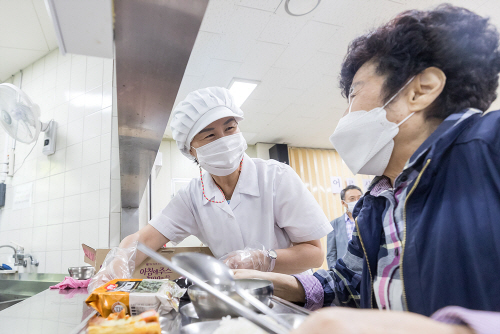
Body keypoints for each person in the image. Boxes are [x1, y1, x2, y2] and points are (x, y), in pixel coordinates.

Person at [234, 4, 500, 333]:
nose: (346, 115)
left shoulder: (491, 148)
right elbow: (345, 284)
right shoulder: (376, 203)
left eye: (354, 94)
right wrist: (270, 282)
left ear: (421, 90)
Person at [89, 87, 332, 290]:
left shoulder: (276, 177)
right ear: (190, 150)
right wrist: (115, 267)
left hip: (289, 296)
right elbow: (144, 239)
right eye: (210, 136)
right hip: (235, 300)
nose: (224, 140)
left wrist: (261, 259)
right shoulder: (192, 197)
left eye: (230, 128)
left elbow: (314, 253)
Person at [326, 185, 363, 268]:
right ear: (343, 202)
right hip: (345, 271)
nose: (357, 201)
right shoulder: (334, 224)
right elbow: (331, 254)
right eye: (352, 199)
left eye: (359, 198)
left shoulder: (369, 220)